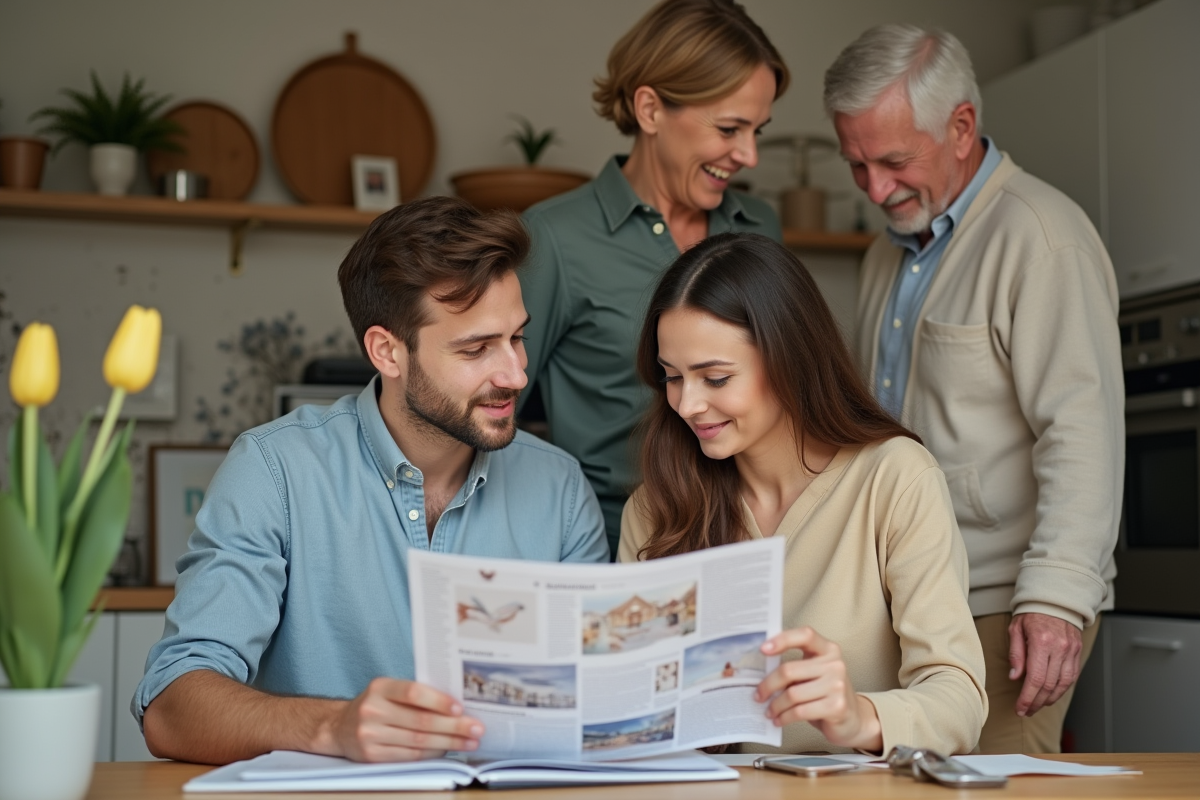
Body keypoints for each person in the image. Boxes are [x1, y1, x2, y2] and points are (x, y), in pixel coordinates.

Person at [135, 197, 609, 765]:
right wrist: (333, 726)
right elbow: (171, 706)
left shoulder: (559, 489)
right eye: (477, 348)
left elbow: (598, 695)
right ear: (387, 351)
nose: (515, 373)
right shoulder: (274, 470)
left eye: (517, 337)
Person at [825, 25, 1123, 754]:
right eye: (857, 165)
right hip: (912, 598)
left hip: (1007, 601)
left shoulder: (1043, 237)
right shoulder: (881, 258)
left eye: (894, 161)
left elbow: (1082, 431)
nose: (875, 188)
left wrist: (1054, 598)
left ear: (962, 127)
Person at [619, 233, 986, 756]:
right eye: (672, 378)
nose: (688, 405)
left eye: (716, 378)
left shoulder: (894, 478)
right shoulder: (655, 510)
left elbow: (959, 700)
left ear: (789, 358)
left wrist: (860, 718)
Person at [519, 0, 789, 555]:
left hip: (749, 546)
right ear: (649, 109)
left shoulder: (758, 226)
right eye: (731, 128)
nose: (750, 155)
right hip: (611, 548)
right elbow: (491, 415)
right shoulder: (554, 239)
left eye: (757, 129)